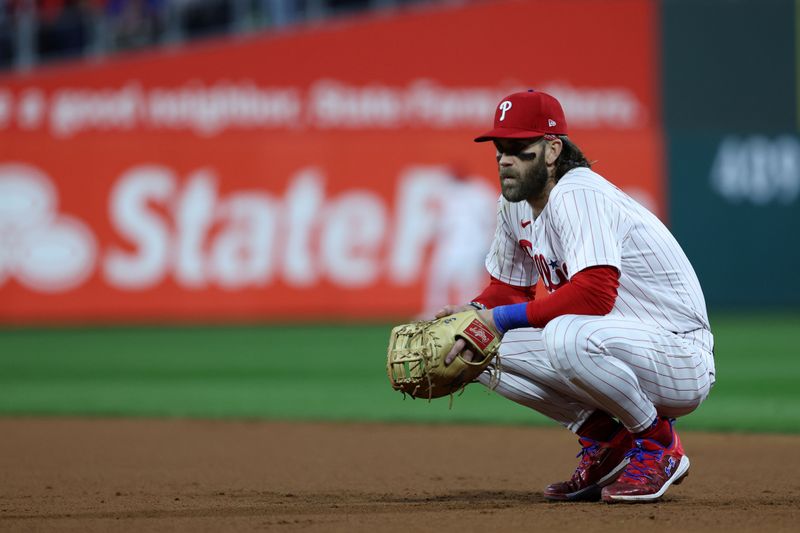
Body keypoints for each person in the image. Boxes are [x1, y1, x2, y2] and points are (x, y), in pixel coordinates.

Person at [438, 89, 715, 503]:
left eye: (518, 148)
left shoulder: (578, 192)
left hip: (677, 354)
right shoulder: (514, 205)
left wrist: (497, 319)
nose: (504, 159)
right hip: (616, 344)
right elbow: (509, 288)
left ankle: (659, 446)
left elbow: (595, 292)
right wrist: (477, 312)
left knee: (563, 335)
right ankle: (609, 442)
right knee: (474, 344)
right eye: (500, 148)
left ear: (552, 150)